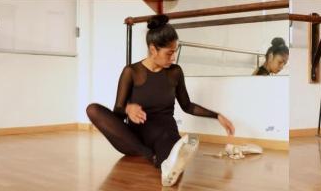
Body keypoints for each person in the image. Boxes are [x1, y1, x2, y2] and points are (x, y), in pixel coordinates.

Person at [86, 15, 234, 186]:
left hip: (163, 133)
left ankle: (167, 159)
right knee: (93, 109)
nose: (173, 58)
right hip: (133, 139)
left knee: (172, 157)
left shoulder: (175, 72)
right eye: (169, 53)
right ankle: (150, 155)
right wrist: (127, 109)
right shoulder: (132, 72)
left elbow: (187, 106)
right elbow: (117, 110)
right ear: (153, 49)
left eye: (175, 52)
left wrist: (217, 116)